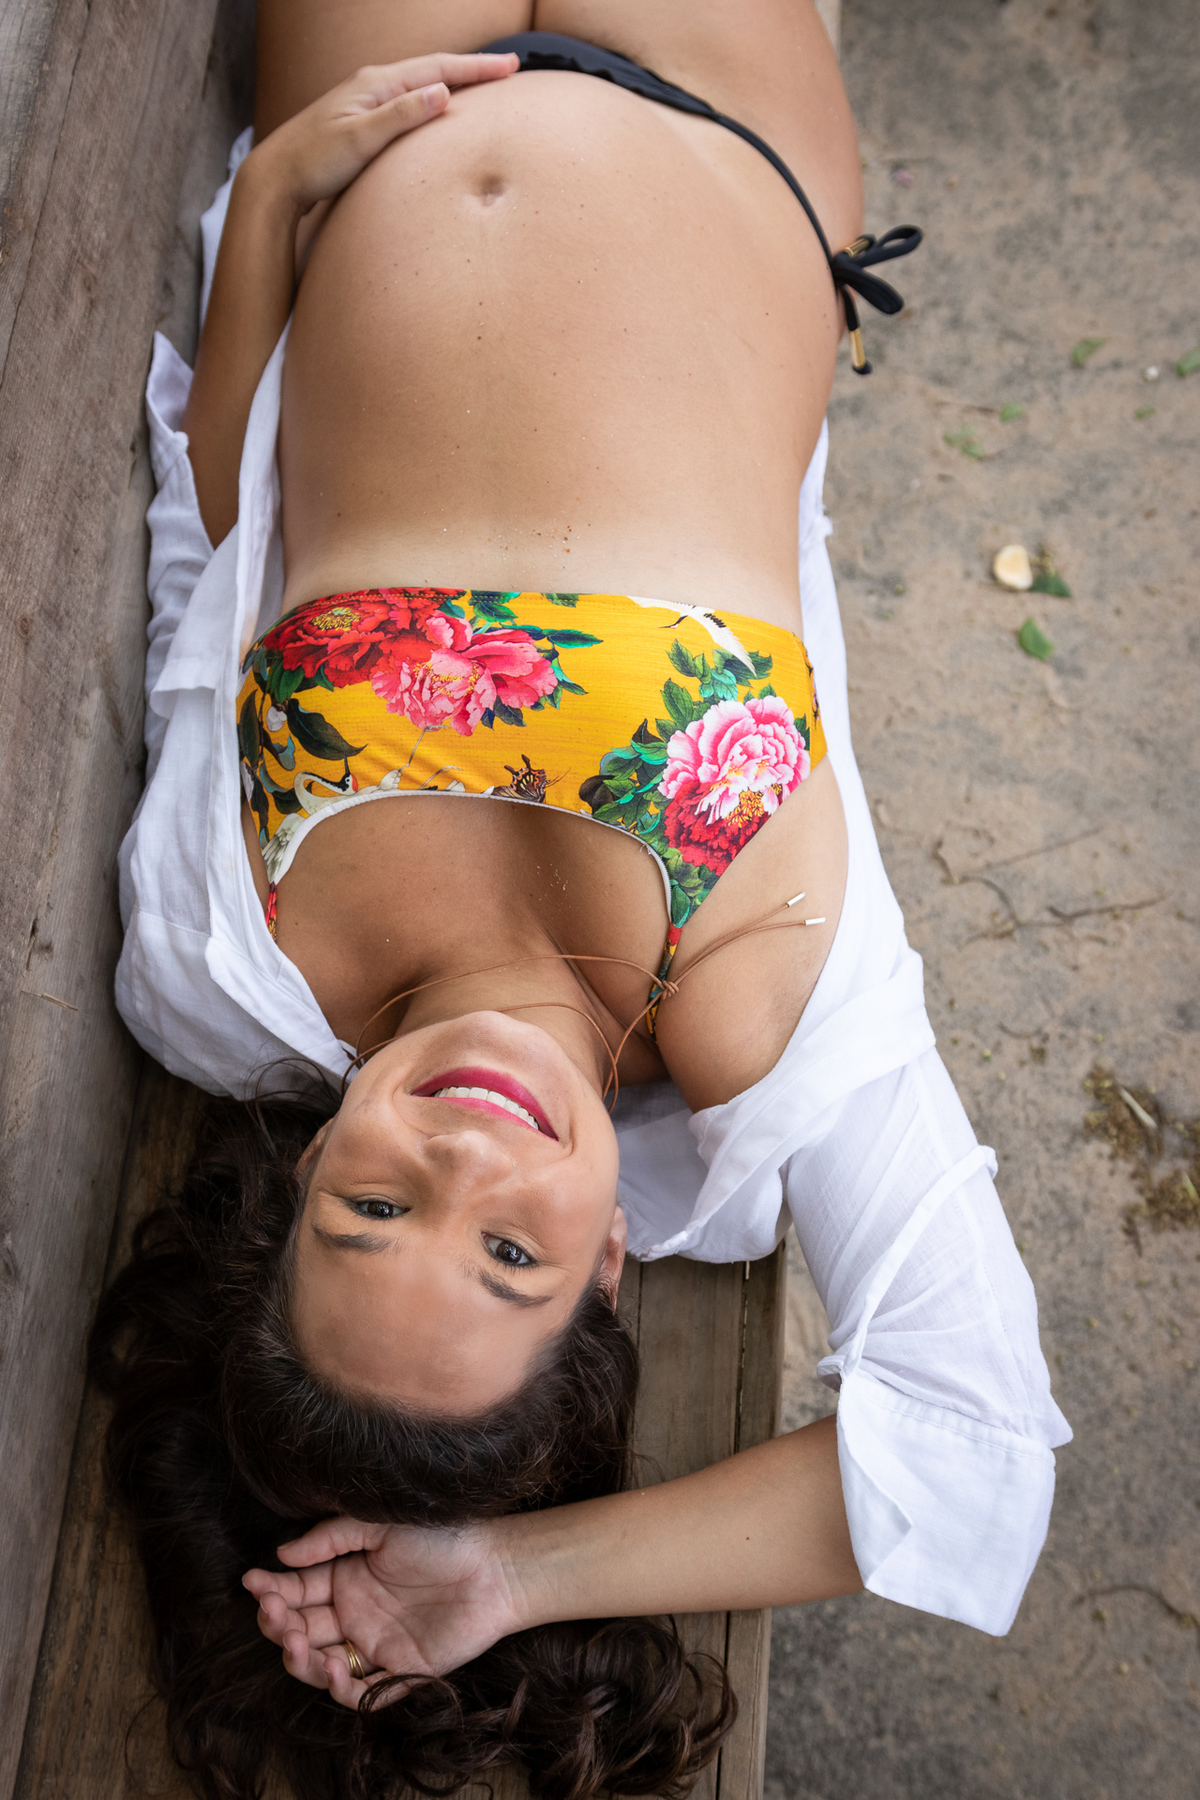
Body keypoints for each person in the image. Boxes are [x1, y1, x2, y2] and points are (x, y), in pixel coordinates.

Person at [98, 3, 1070, 1796]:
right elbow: (969, 1453)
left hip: (379, 116)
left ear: (303, 1175)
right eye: (511, 1255)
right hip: (712, 115)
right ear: (614, 1262)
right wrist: (506, 1577)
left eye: (372, 1209)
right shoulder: (759, 1007)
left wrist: (276, 210)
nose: (464, 1159)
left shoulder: (229, 957)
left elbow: (213, 563)